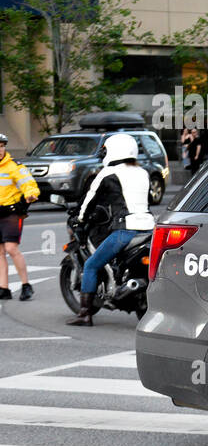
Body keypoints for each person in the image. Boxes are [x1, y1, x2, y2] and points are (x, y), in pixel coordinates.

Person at [66, 133, 156, 326]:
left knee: (91, 265)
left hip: (125, 230)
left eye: (106, 149)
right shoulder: (143, 172)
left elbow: (89, 202)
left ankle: (85, 314)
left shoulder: (108, 173)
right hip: (150, 229)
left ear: (114, 150)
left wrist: (80, 220)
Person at [0, 133, 40, 301]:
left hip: (12, 213)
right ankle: (4, 288)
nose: (0, 150)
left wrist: (31, 194)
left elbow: (28, 183)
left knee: (11, 248)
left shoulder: (14, 166)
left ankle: (25, 285)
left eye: (2, 146)